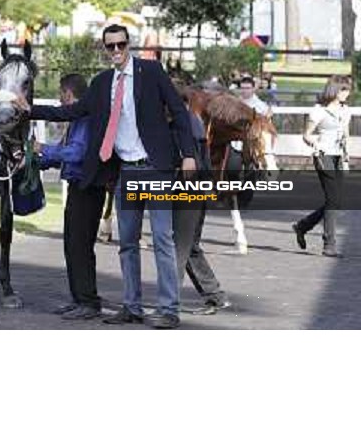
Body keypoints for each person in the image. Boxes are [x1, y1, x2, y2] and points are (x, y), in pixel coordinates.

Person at [17, 24, 196, 330]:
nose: (116, 51)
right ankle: (131, 306)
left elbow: (178, 112)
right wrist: (30, 110)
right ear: (104, 49)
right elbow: (71, 112)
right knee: (127, 242)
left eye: (121, 45)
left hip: (156, 167)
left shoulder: (151, 72)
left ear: (130, 45)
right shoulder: (101, 83)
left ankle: (168, 308)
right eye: (110, 46)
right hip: (126, 170)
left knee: (163, 240)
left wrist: (189, 154)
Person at [33, 74, 106, 320]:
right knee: (73, 246)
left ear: (67, 93)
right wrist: (36, 161)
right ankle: (80, 298)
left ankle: (89, 302)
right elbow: (63, 154)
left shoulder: (84, 119)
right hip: (79, 187)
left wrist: (42, 149)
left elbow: (76, 153)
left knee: (80, 246)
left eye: (60, 93)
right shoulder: (77, 120)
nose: (58, 98)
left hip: (87, 188)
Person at [172, 99, 231, 315]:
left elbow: (190, 163)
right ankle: (214, 295)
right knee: (189, 247)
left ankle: (169, 302)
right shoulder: (193, 121)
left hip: (188, 191)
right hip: (195, 190)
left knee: (179, 247)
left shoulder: (185, 124)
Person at [292, 75, 351, 257]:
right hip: (323, 155)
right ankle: (329, 245)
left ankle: (303, 226)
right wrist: (316, 144)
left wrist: (347, 158)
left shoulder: (346, 110)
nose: (347, 93)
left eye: (348, 90)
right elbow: (306, 135)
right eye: (344, 89)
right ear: (334, 90)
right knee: (333, 200)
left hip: (338, 157)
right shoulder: (318, 111)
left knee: (336, 201)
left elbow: (346, 135)